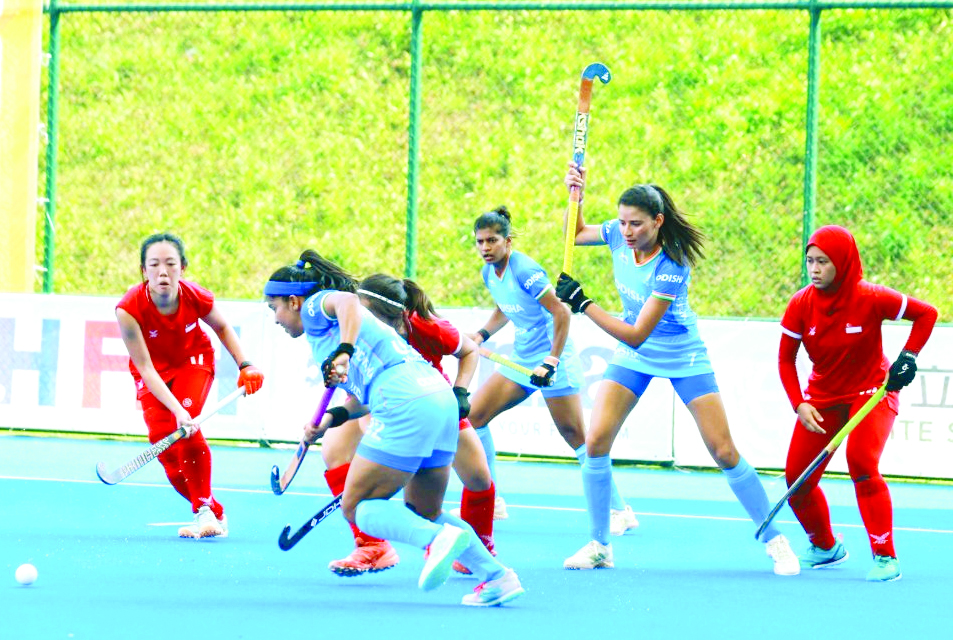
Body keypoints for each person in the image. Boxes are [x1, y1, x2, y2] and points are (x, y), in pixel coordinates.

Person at [555, 166, 799, 575]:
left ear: (658, 221)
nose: (627, 231)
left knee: (723, 450)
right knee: (595, 442)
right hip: (634, 358)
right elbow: (575, 234)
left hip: (681, 355)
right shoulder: (616, 234)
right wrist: (575, 194)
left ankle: (775, 539)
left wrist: (584, 303)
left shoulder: (672, 264)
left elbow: (637, 334)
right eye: (623, 222)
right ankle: (600, 546)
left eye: (636, 224)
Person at [264, 250, 524, 606]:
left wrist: (343, 351)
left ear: (293, 301)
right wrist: (330, 420)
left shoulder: (314, 308)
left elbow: (348, 302)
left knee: (357, 506)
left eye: (274, 308)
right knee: (425, 511)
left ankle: (435, 540)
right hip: (437, 398)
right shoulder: (335, 332)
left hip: (404, 401)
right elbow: (364, 396)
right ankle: (498, 577)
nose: (275, 319)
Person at [778, 225, 937, 582]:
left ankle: (885, 556)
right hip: (822, 397)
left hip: (872, 392)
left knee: (862, 462)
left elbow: (927, 314)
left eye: (823, 262)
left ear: (843, 262)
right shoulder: (801, 303)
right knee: (797, 480)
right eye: (810, 261)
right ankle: (825, 547)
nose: (814, 269)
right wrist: (799, 404)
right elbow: (786, 359)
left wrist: (908, 356)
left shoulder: (871, 296)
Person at [467, 206, 637, 537]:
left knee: (577, 438)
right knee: (474, 417)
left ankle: (620, 510)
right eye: (480, 241)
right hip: (522, 361)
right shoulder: (489, 272)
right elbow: (505, 306)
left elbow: (561, 312)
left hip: (553, 360)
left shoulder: (525, 269)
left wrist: (552, 361)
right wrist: (482, 334)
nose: (486, 247)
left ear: (508, 241)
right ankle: (491, 501)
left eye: (492, 241)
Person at [115, 233, 264, 538]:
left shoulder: (195, 296)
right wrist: (176, 410)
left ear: (182, 267)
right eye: (154, 265)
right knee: (165, 448)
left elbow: (222, 327)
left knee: (185, 428)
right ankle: (214, 511)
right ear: (143, 271)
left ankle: (203, 511)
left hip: (193, 361)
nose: (163, 272)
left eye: (171, 264)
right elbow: (145, 368)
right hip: (154, 372)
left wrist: (245, 364)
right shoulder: (128, 309)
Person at [356, 274, 497, 575]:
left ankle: (481, 550)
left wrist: (460, 390)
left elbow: (469, 350)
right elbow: (360, 395)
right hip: (394, 414)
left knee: (480, 479)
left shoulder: (428, 327)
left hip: (436, 404)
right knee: (414, 507)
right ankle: (373, 546)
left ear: (391, 314)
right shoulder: (360, 336)